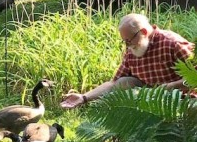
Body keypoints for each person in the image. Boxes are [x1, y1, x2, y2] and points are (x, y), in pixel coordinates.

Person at [60, 13, 195, 109]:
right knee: (124, 82)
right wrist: (84, 97)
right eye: (125, 42)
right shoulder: (133, 50)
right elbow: (114, 84)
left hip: (183, 100)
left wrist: (170, 87)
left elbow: (195, 78)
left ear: (143, 32)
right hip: (153, 101)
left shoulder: (173, 44)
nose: (128, 46)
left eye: (129, 41)